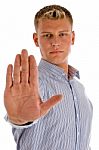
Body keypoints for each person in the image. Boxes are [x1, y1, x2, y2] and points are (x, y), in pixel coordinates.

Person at [4, 4, 93, 150]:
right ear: (36, 40)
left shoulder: (80, 88)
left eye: (62, 34)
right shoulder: (32, 85)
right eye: (47, 35)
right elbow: (20, 117)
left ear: (73, 37)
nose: (55, 42)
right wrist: (19, 120)